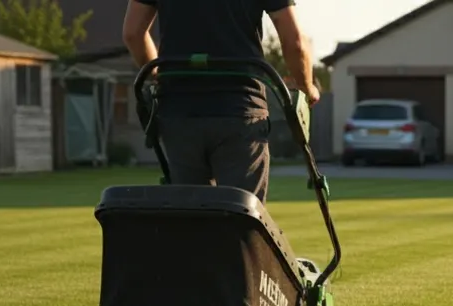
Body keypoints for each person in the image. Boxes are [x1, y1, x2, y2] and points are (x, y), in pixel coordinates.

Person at [122, 0, 321, 202]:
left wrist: (159, 75)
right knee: (243, 217)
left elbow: (133, 33)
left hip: (179, 111)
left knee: (191, 218)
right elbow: (294, 42)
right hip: (240, 109)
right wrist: (306, 86)